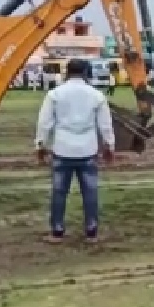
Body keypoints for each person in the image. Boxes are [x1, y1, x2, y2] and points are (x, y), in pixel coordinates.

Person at [35, 58, 115, 244]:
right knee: (90, 192)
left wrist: (40, 145)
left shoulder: (55, 94)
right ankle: (91, 231)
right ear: (86, 72)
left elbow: (45, 123)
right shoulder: (96, 95)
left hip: (63, 149)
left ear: (67, 72)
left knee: (59, 191)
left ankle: (57, 231)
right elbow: (105, 125)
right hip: (87, 149)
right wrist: (109, 146)